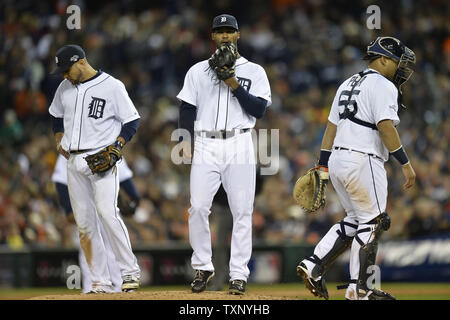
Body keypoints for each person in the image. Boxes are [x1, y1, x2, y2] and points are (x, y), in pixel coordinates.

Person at [296, 36, 416, 300]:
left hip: (339, 158)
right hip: (364, 159)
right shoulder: (383, 85)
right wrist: (406, 164)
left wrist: (323, 165)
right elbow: (385, 127)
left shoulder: (347, 82)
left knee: (354, 220)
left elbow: (330, 128)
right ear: (383, 59)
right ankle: (360, 289)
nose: (400, 68)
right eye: (397, 61)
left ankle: (313, 265)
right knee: (373, 222)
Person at [176, 14, 271, 295]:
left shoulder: (254, 71)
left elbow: (259, 110)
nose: (226, 35)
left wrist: (234, 83)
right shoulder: (197, 71)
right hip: (205, 143)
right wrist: (185, 138)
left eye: (230, 31)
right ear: (213, 36)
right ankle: (203, 266)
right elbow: (186, 108)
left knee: (243, 212)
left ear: (238, 35)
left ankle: (239, 275)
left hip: (240, 142)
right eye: (220, 31)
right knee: (198, 207)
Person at [48, 44, 141, 293]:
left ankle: (130, 272)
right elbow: (55, 115)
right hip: (73, 161)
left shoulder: (112, 86)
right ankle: (99, 281)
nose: (64, 75)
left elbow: (132, 120)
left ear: (81, 62)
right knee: (85, 225)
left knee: (108, 213)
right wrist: (58, 137)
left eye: (67, 69)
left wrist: (119, 145)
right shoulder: (64, 87)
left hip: (101, 157)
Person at [52, 154, 141, 293]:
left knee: (112, 244)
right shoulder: (71, 145)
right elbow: (61, 180)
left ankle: (119, 287)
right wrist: (68, 208)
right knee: (88, 245)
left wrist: (134, 200)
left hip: (107, 204)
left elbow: (124, 176)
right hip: (85, 206)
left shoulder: (107, 142)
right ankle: (94, 286)